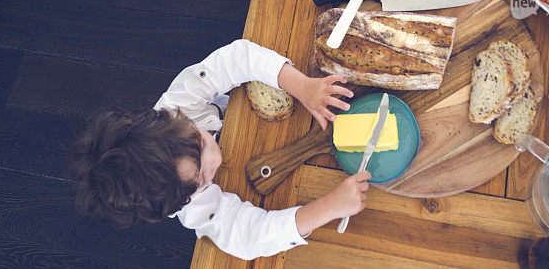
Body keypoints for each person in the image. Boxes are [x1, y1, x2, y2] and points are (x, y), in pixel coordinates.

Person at [68, 39, 370, 260]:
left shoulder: (178, 103)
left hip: (243, 120)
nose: (217, 158)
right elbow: (250, 236)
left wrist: (301, 85)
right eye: (202, 178)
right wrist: (328, 207)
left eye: (199, 142)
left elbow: (235, 59)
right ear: (181, 200)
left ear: (173, 120)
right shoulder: (191, 209)